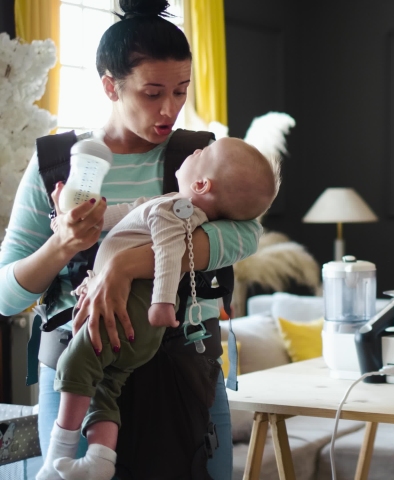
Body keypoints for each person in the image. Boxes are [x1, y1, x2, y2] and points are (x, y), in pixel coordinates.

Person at [0, 1, 263, 478]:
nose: (170, 109)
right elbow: (5, 295)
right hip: (79, 377)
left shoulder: (198, 158)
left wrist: (123, 266)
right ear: (110, 85)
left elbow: (246, 236)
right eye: (152, 92)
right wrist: (63, 243)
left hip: (187, 370)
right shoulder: (58, 165)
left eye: (181, 91)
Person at [35, 137, 276, 480]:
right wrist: (67, 223)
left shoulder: (173, 212)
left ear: (201, 184)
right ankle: (100, 459)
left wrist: (160, 304)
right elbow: (115, 217)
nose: (196, 149)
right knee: (107, 387)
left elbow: (168, 255)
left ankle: (56, 460)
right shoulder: (168, 205)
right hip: (139, 330)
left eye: (203, 154)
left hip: (133, 319)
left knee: (76, 364)